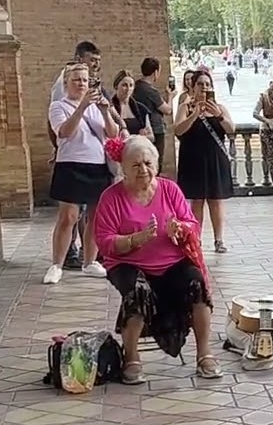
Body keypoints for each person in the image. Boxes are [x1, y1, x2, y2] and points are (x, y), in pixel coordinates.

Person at [94, 136, 221, 382]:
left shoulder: (170, 189)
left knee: (196, 282)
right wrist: (134, 240)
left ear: (156, 164)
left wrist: (180, 228)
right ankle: (131, 358)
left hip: (171, 261)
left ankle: (205, 354)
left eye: (148, 163)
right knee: (137, 290)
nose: (144, 170)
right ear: (123, 168)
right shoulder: (111, 197)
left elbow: (192, 224)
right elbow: (104, 241)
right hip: (127, 263)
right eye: (136, 165)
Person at [44, 63, 118, 284]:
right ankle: (56, 264)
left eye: (85, 80)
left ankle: (90, 261)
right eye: (76, 79)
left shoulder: (97, 107)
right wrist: (82, 107)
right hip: (71, 164)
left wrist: (105, 112)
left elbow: (113, 133)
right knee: (69, 216)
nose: (81, 84)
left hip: (97, 165)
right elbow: (65, 132)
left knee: (95, 217)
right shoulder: (58, 106)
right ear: (66, 83)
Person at [174, 69, 235, 253]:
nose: (204, 88)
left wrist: (219, 116)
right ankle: (196, 239)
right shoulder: (186, 107)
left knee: (216, 200)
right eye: (200, 84)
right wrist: (194, 115)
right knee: (197, 201)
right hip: (193, 159)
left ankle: (219, 239)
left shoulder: (220, 108)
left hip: (215, 159)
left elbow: (231, 129)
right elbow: (178, 130)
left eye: (207, 84)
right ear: (192, 87)